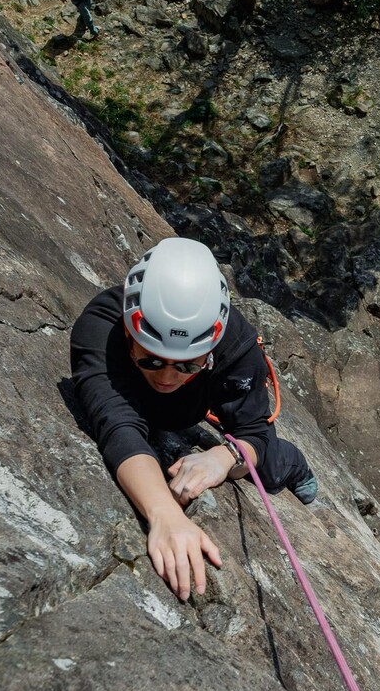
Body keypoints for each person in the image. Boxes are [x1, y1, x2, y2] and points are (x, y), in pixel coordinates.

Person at [70, 238, 318, 600]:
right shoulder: (101, 327)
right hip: (145, 403)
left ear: (211, 350)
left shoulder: (236, 345)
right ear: (128, 331)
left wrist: (223, 457)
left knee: (265, 465)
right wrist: (163, 514)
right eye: (152, 359)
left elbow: (254, 432)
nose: (167, 377)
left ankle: (294, 463)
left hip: (192, 408)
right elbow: (117, 423)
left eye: (187, 365)